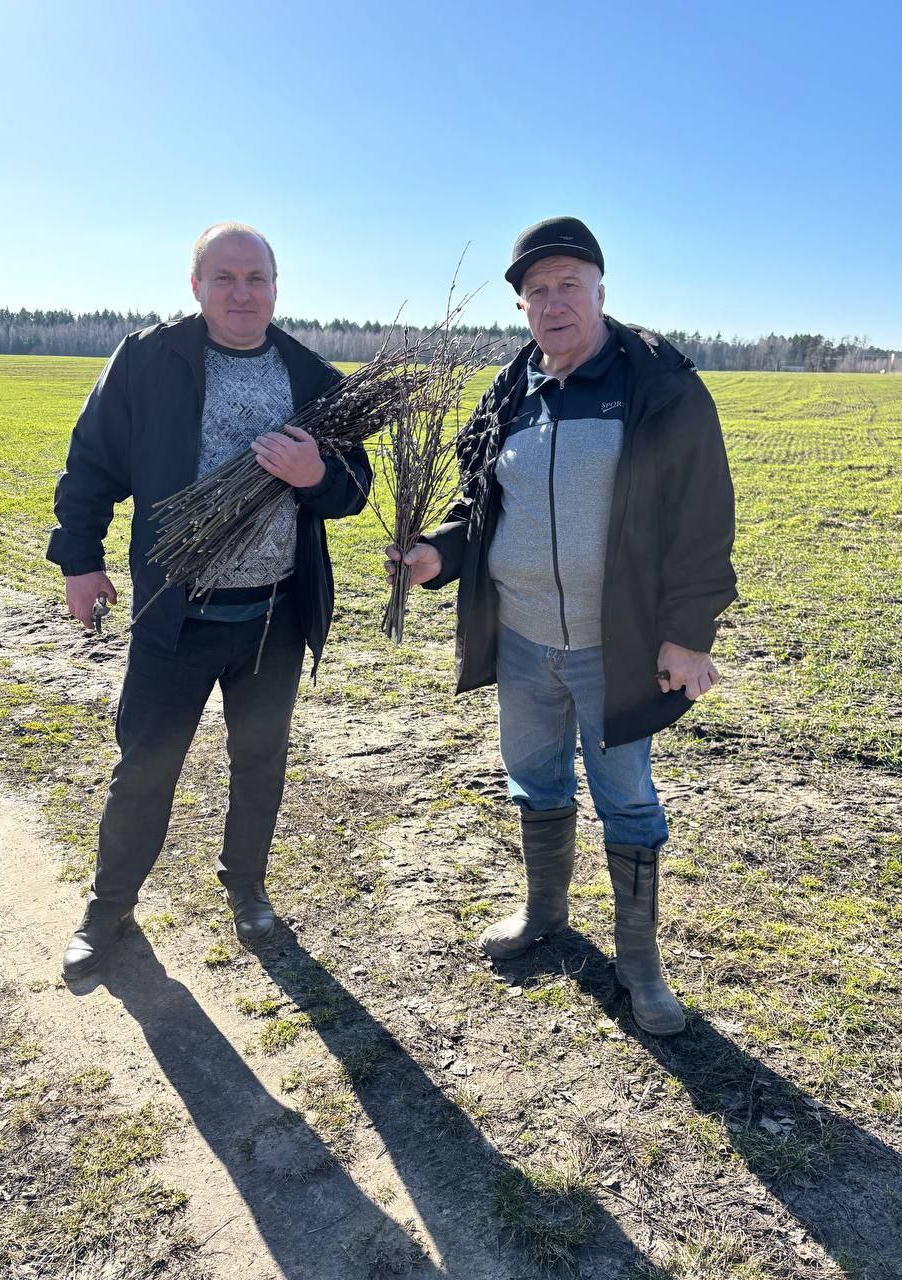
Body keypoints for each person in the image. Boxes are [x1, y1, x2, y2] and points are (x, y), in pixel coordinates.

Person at [389, 217, 736, 1036]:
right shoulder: (511, 391)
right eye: (537, 291)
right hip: (522, 640)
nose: (554, 303)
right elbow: (479, 505)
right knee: (535, 780)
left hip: (616, 647)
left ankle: (639, 962)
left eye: (568, 285)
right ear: (522, 306)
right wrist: (438, 553)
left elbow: (703, 516)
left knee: (627, 799)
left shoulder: (657, 383)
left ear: (600, 289)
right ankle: (545, 912)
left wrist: (689, 633)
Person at [49, 223, 372, 979]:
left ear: (276, 287)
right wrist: (81, 560)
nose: (241, 293)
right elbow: (92, 462)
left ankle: (247, 887)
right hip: (175, 615)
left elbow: (353, 491)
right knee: (145, 767)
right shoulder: (149, 359)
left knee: (259, 761)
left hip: (272, 619)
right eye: (224, 277)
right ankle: (108, 908)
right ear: (195, 285)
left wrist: (315, 476)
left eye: (256, 278)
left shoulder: (313, 376)